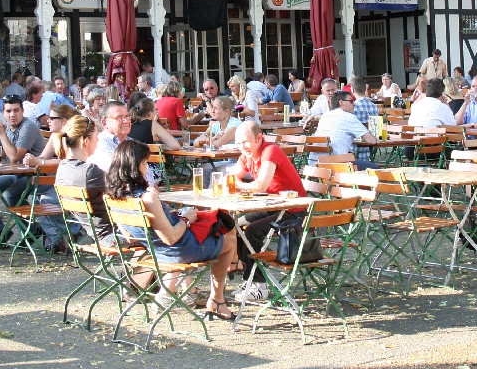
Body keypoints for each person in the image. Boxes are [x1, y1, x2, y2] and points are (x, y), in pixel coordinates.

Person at [106, 139, 238, 320]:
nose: (147, 168)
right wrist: (186, 218)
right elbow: (171, 238)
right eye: (145, 162)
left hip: (155, 252)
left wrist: (165, 216)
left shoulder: (113, 197)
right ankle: (217, 299)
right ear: (136, 166)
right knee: (229, 236)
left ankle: (176, 294)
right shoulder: (148, 197)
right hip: (178, 251)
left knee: (217, 227)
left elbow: (129, 235)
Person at [228, 121, 307, 302]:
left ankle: (259, 287)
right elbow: (230, 177)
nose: (242, 147)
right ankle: (249, 280)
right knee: (235, 226)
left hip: (292, 211)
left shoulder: (270, 151)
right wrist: (236, 183)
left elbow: (260, 185)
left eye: (246, 142)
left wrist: (238, 185)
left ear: (259, 138)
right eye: (239, 143)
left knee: (252, 231)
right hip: (272, 207)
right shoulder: (246, 156)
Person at [0, 95, 60, 249]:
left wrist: (2, 134)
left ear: (22, 111)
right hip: (14, 175)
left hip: (37, 176)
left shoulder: (28, 126)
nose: (12, 115)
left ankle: (29, 232)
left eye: (16, 110)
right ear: (3, 113)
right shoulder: (5, 127)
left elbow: (15, 157)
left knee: (9, 193)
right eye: (8, 111)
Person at [53, 114, 114, 243]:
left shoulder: (62, 168)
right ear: (86, 141)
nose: (97, 141)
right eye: (96, 137)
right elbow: (122, 191)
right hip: (112, 234)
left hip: (93, 231)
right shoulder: (89, 172)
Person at [312, 91, 378, 168]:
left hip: (315, 164)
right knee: (375, 169)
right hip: (336, 164)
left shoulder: (325, 115)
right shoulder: (349, 117)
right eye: (351, 101)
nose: (354, 103)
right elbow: (372, 141)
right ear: (341, 103)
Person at [87, 101, 131, 172]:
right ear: (104, 123)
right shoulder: (100, 143)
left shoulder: (131, 142)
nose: (125, 121)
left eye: (127, 116)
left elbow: (147, 174)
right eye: (119, 117)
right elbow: (117, 173)